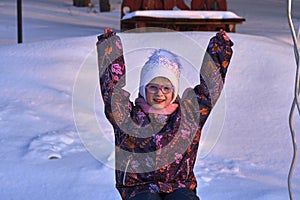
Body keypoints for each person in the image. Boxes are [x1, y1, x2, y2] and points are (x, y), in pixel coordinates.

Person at [96, 29, 233, 200]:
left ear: (174, 91)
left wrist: (220, 48)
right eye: (153, 86)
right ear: (143, 89)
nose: (159, 93)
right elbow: (112, 91)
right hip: (138, 189)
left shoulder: (189, 116)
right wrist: (110, 47)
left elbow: (210, 89)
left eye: (166, 88)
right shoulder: (126, 116)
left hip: (179, 186)